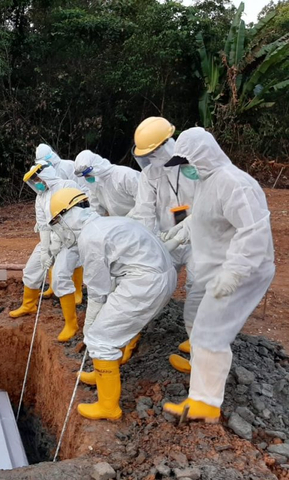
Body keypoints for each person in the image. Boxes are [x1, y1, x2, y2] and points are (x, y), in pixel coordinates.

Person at [161, 127, 274, 422]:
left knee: (210, 330)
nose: (185, 170)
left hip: (243, 270)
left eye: (186, 163)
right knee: (201, 325)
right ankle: (202, 379)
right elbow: (201, 218)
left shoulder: (235, 184)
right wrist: (177, 234)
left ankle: (206, 404)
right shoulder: (207, 182)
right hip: (221, 267)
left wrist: (233, 274)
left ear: (203, 156)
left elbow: (253, 232)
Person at [49, 188, 177, 420]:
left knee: (100, 337)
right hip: (158, 277)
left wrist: (89, 328)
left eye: (58, 221)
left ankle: (109, 407)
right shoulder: (106, 223)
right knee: (106, 331)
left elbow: (99, 292)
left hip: (144, 284)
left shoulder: (91, 237)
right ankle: (101, 373)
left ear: (67, 215)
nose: (59, 228)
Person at [127, 117, 197, 362]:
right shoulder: (149, 175)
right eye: (149, 154)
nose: (153, 157)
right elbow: (145, 212)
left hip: (201, 238)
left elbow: (211, 202)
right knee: (151, 281)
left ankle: (199, 341)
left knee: (199, 286)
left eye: (155, 151)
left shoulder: (195, 163)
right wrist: (150, 245)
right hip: (167, 237)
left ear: (168, 142)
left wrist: (187, 231)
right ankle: (130, 332)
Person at [9, 162, 84, 342]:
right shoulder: (40, 198)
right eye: (33, 181)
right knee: (31, 270)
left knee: (59, 278)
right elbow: (43, 225)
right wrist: (44, 250)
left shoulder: (68, 186)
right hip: (52, 238)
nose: (37, 183)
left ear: (47, 174)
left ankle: (71, 324)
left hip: (72, 239)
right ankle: (29, 305)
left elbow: (80, 212)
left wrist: (59, 241)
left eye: (38, 179)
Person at [34, 143, 90, 300]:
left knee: (74, 252)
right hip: (54, 218)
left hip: (71, 216)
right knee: (53, 250)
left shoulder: (68, 167)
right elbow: (43, 197)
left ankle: (77, 290)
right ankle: (53, 286)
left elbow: (82, 190)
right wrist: (42, 220)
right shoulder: (43, 173)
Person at [74, 150, 139, 216]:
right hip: (120, 223)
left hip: (141, 220)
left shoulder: (125, 175)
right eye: (85, 176)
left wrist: (129, 219)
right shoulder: (94, 185)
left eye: (88, 174)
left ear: (96, 166)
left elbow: (144, 202)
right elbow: (96, 210)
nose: (87, 177)